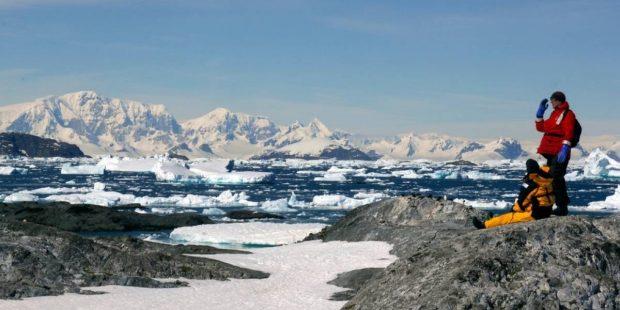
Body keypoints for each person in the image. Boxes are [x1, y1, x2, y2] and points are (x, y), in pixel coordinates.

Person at [473, 159, 554, 229]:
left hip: (536, 214)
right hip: (547, 210)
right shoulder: (548, 179)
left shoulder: (532, 183)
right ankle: (491, 220)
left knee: (509, 217)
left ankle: (484, 225)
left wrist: (513, 210)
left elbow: (522, 202)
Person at [534, 91, 577, 216]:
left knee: (556, 178)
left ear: (558, 100)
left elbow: (569, 131)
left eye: (552, 100)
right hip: (550, 151)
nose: (551, 102)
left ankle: (562, 207)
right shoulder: (555, 114)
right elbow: (541, 128)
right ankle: (553, 205)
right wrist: (540, 114)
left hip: (559, 151)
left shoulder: (568, 114)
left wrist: (565, 147)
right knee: (552, 179)